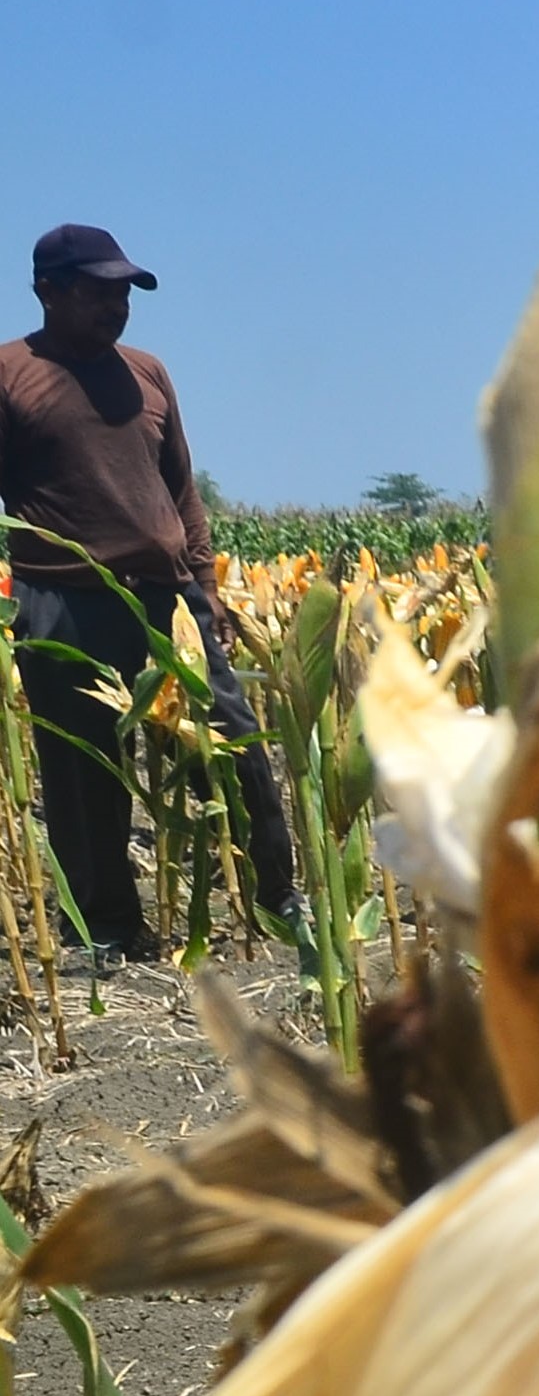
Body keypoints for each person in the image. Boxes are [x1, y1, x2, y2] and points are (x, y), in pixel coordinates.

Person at [0, 225, 296, 962]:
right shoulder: (10, 375)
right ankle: (107, 927)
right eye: (99, 291)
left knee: (234, 742)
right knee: (83, 772)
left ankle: (278, 897)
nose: (118, 306)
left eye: (125, 292)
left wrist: (207, 586)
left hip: (170, 597)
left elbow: (182, 490)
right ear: (48, 291)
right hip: (64, 602)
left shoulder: (148, 372)